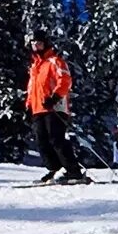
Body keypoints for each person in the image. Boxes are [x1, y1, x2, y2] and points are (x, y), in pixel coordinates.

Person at [25, 36, 90, 184]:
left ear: (46, 44)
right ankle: (55, 169)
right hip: (38, 108)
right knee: (42, 141)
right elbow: (31, 89)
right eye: (33, 44)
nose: (36, 47)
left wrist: (54, 97)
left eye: (39, 44)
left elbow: (65, 80)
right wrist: (28, 106)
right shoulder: (35, 66)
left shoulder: (55, 61)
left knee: (56, 139)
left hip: (55, 107)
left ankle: (73, 171)